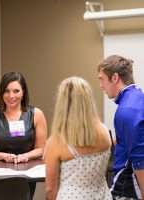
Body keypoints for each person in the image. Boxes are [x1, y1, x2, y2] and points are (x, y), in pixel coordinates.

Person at [45, 77, 112, 200]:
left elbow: (50, 190)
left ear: (62, 103)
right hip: (103, 196)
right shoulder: (104, 131)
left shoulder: (56, 142)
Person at [97, 55, 144, 200]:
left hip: (129, 187)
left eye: (101, 79)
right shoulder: (138, 96)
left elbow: (139, 159)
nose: (101, 85)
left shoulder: (127, 110)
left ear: (115, 78)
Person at [0, 71, 47, 163]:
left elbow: (41, 149)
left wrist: (25, 156)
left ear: (23, 92)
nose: (11, 96)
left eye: (16, 91)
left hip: (28, 170)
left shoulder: (37, 114)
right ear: (1, 93)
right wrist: (4, 156)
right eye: (7, 91)